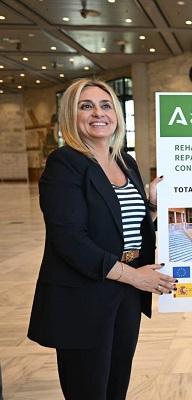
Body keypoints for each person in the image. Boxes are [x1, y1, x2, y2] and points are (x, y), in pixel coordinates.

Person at [27, 78, 177, 400]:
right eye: (86, 106)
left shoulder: (125, 161)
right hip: (84, 295)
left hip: (126, 294)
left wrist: (151, 207)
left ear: (117, 115)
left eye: (106, 105)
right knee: (89, 390)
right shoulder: (65, 163)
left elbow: (128, 228)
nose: (98, 113)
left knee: (116, 386)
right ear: (72, 115)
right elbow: (69, 240)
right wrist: (134, 276)